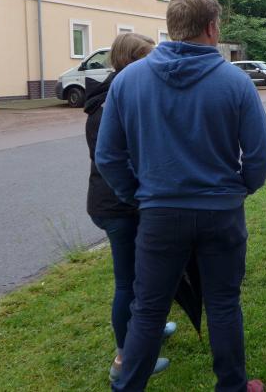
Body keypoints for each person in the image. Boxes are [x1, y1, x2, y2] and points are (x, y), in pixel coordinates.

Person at [96, 0, 266, 392]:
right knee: (223, 304)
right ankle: (231, 386)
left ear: (172, 27)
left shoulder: (127, 81)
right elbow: (261, 154)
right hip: (221, 214)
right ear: (211, 28)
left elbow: (108, 156)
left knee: (148, 310)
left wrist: (136, 195)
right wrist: (243, 187)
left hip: (159, 215)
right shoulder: (236, 82)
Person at [84, 32, 176, 382]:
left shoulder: (124, 92)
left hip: (125, 202)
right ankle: (126, 357)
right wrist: (138, 195)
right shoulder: (109, 103)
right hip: (118, 206)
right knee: (128, 282)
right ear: (131, 60)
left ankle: (150, 330)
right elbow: (112, 160)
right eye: (148, 57)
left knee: (143, 276)